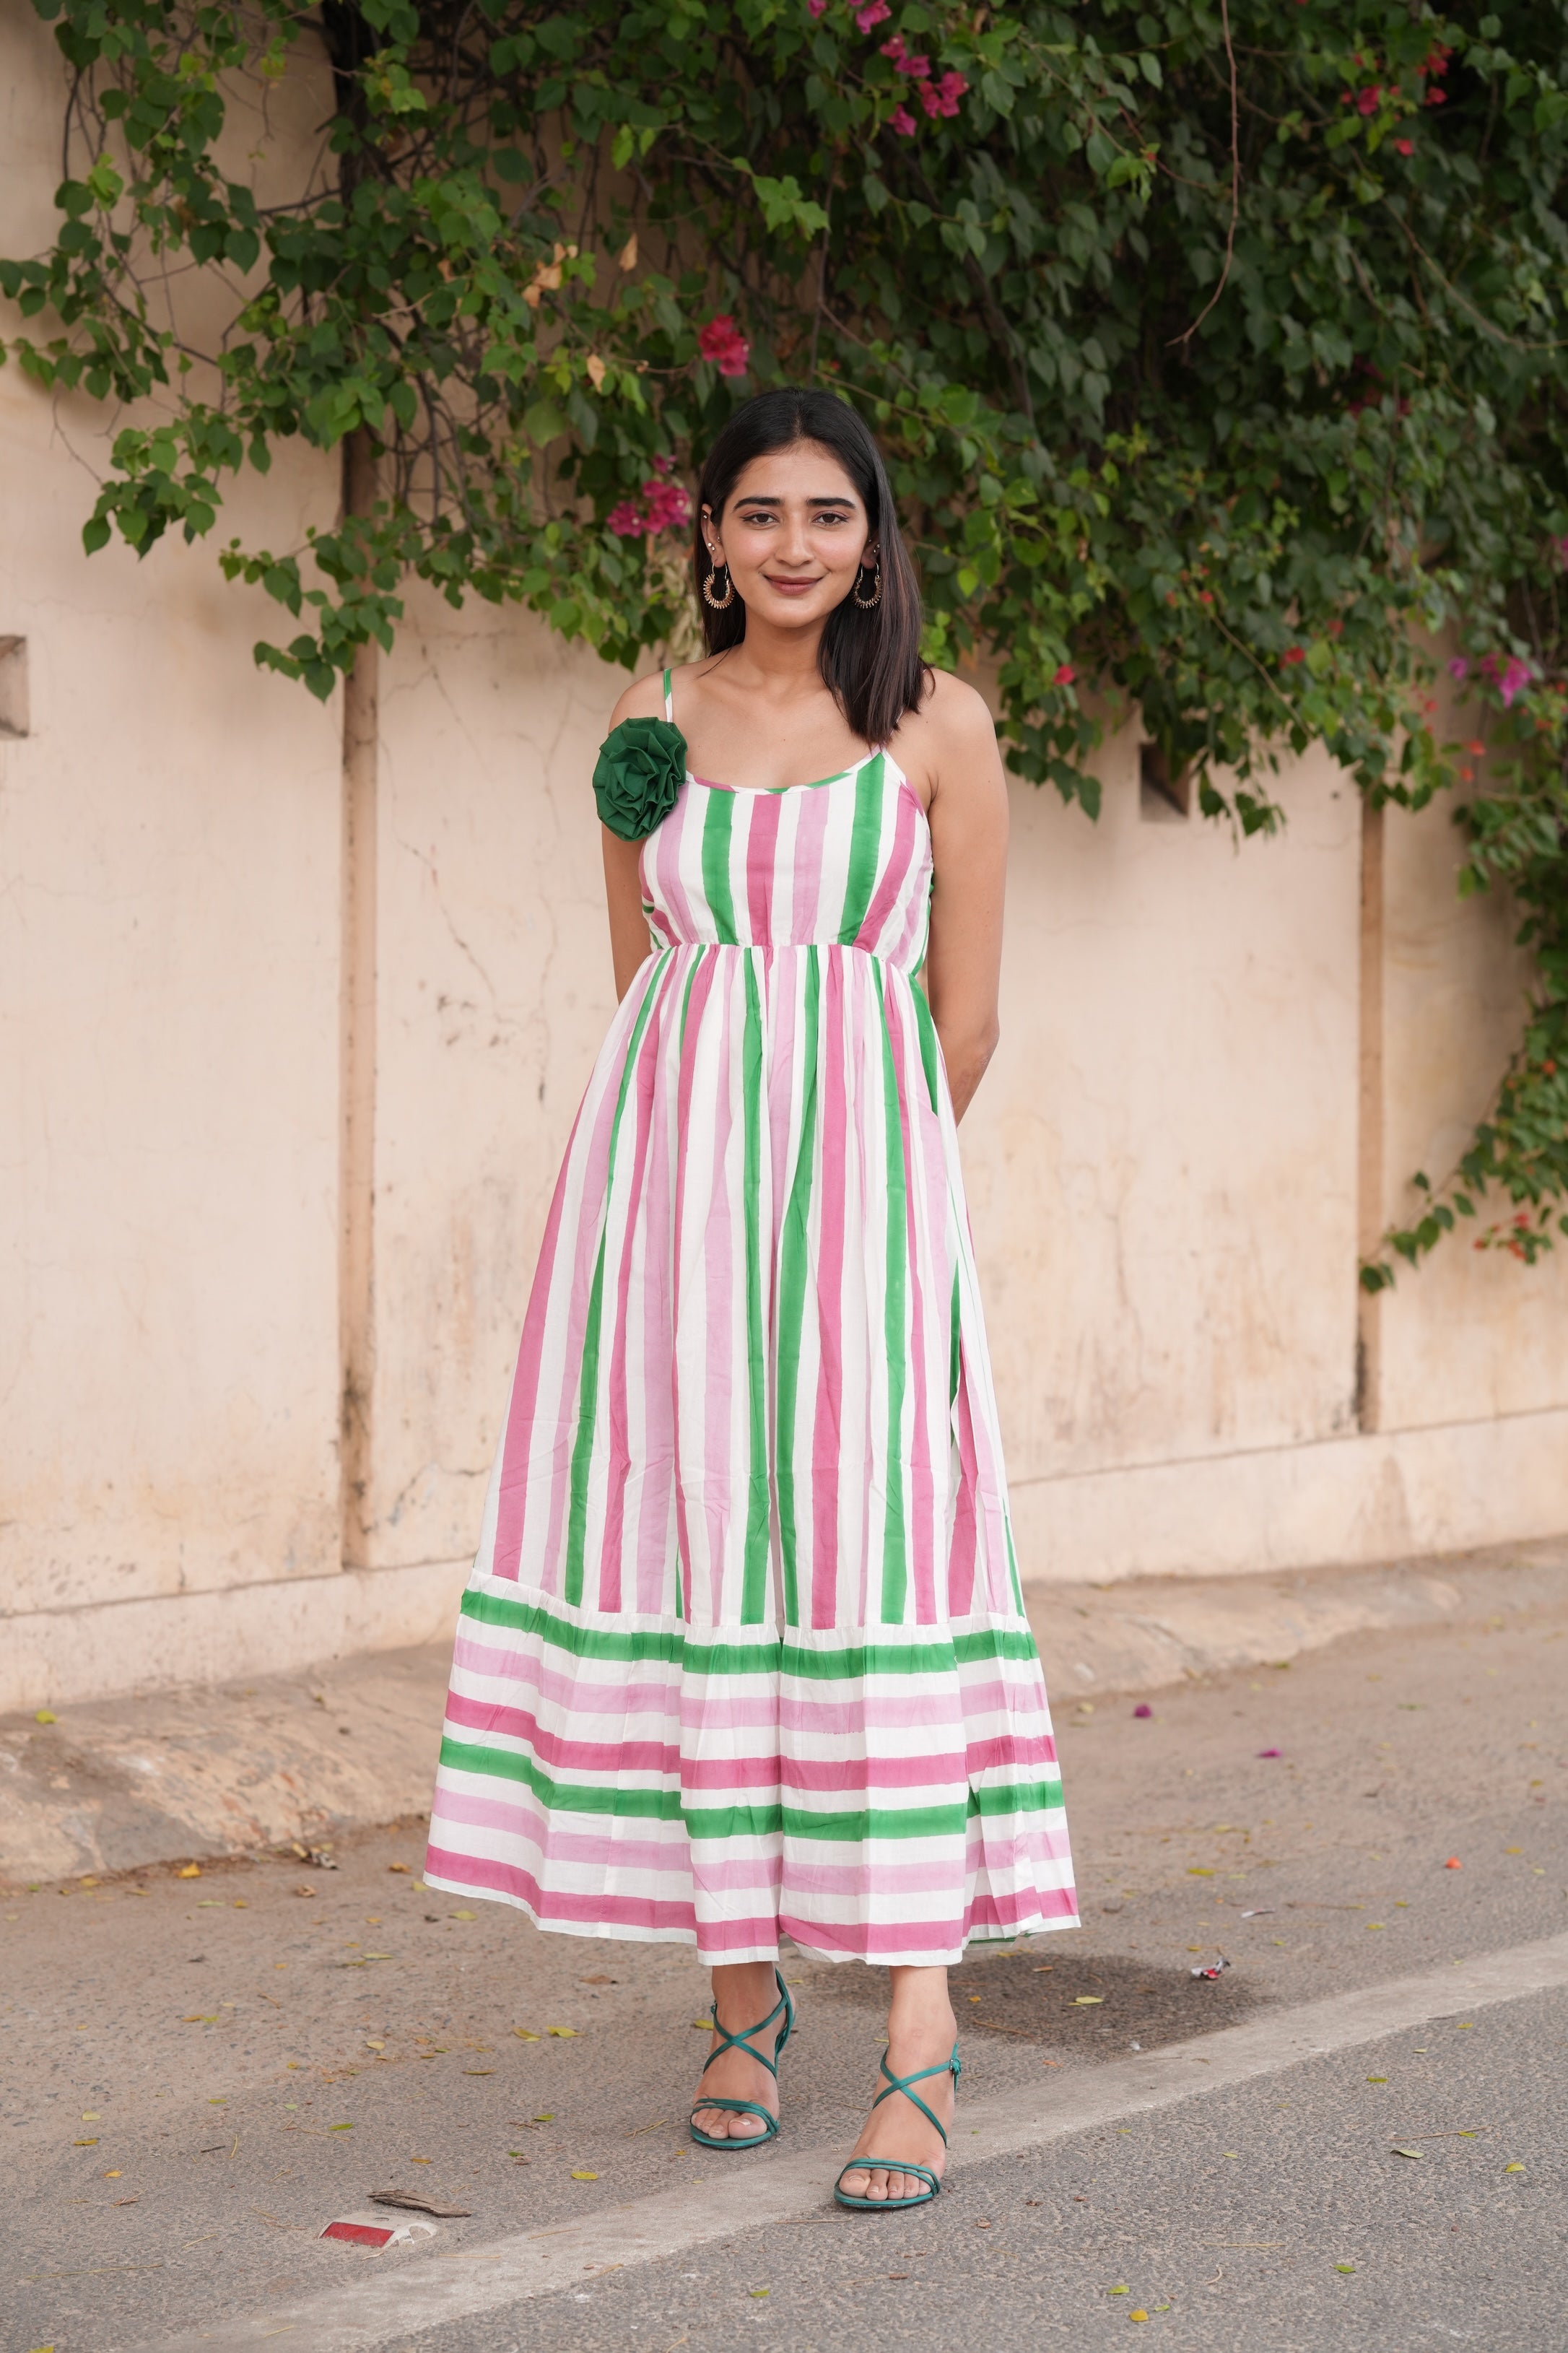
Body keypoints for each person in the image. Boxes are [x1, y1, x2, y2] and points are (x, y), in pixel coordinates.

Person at [424, 386, 1076, 2211]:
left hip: (870, 1225)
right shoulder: (651, 724)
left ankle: (923, 2033)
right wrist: (692, 1182)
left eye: (831, 515)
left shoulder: (939, 730)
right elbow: (643, 988)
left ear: (875, 538)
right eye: (761, 514)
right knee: (703, 1548)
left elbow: (969, 1015)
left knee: (878, 1563)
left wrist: (872, 1185)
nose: (797, 544)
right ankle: (737, 1997)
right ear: (707, 535)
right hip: (669, 1215)